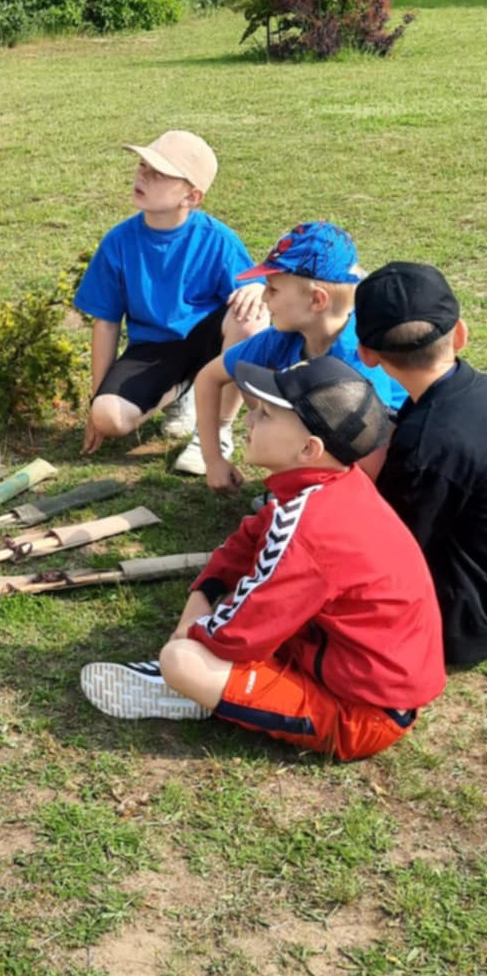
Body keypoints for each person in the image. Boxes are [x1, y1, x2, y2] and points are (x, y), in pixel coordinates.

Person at [80, 356, 445, 761]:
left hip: (362, 714)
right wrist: (203, 593)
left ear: (309, 448)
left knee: (182, 661)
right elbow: (248, 539)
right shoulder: (334, 484)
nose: (249, 418)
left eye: (266, 414)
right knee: (203, 636)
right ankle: (208, 688)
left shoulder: (311, 531)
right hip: (353, 670)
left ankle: (189, 689)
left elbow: (234, 636)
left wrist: (190, 633)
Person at [75, 130, 267, 469]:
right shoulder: (118, 242)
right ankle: (183, 392)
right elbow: (106, 324)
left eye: (159, 173)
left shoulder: (218, 239)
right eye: (142, 165)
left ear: (191, 197)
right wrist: (96, 398)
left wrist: (259, 288)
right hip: (153, 350)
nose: (142, 176)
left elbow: (260, 292)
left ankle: (215, 432)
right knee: (108, 417)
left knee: (250, 317)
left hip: (207, 343)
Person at [180, 221, 407, 488]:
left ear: (317, 300)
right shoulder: (282, 336)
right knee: (260, 384)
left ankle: (311, 488)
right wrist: (213, 460)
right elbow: (209, 377)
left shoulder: (359, 356)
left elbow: (370, 443)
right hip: (330, 440)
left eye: (273, 289)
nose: (264, 298)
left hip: (385, 463)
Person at [354, 261, 487, 671]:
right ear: (460, 334)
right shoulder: (473, 391)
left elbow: (396, 550)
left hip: (461, 624)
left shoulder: (424, 448)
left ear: (367, 355)